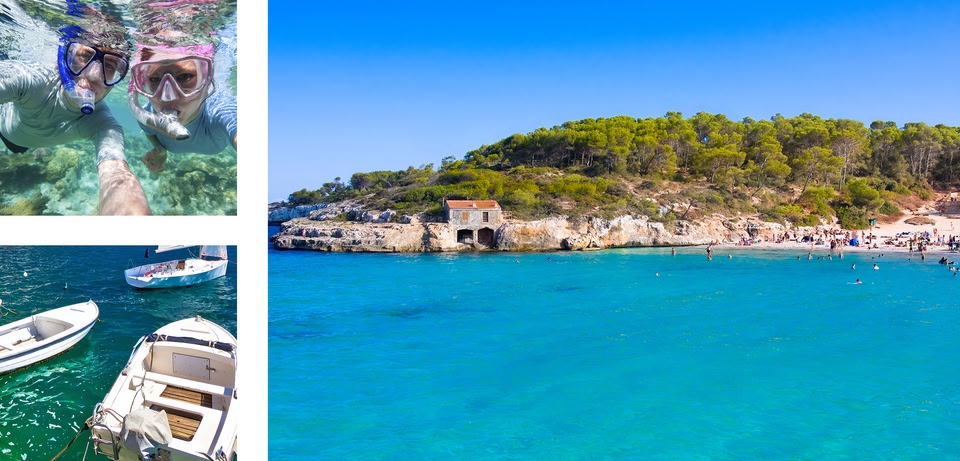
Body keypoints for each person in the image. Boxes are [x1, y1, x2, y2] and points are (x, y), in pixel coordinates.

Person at [0, 16, 150, 214]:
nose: (95, 75)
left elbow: (115, 174)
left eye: (111, 66)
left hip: (23, 142)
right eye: (85, 56)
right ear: (64, 58)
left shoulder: (103, 124)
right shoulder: (30, 81)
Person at [128, 42, 236, 173]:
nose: (167, 96)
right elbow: (149, 133)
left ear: (207, 83)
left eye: (184, 76)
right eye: (155, 80)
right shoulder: (147, 114)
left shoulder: (221, 110)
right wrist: (160, 150)